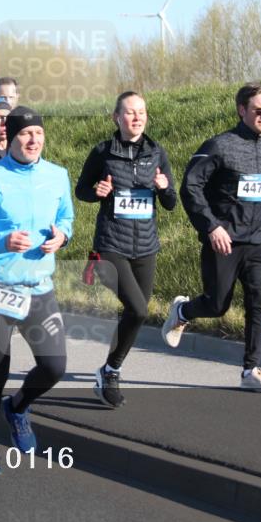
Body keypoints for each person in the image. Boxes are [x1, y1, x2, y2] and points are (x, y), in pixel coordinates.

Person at [0, 106, 73, 476]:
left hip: (40, 287)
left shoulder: (57, 175)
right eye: (26, 134)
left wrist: (63, 235)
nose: (33, 139)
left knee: (54, 366)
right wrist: (2, 240)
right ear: (12, 138)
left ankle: (18, 407)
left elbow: (67, 217)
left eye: (38, 133)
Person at [162, 83, 261, 392]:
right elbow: (190, 187)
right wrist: (211, 226)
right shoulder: (220, 145)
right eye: (258, 110)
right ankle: (182, 311)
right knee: (217, 304)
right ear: (241, 110)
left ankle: (251, 370)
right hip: (224, 240)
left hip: (259, 240)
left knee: (258, 303)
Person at [74, 91, 177, 408]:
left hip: (145, 247)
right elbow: (81, 191)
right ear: (116, 118)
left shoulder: (156, 152)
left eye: (142, 112)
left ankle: (108, 370)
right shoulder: (103, 152)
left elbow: (172, 203)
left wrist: (164, 189)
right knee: (139, 309)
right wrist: (97, 191)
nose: (137, 118)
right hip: (110, 246)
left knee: (135, 315)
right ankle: (112, 373)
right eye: (130, 112)